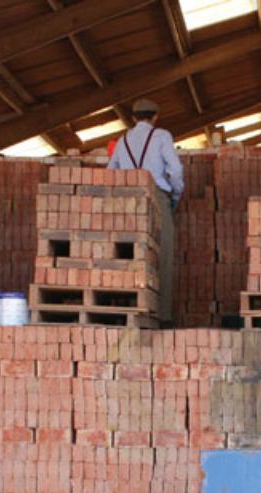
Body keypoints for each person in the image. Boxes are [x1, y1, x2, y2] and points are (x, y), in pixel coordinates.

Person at [107, 98, 184, 326]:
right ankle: (162, 317)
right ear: (156, 117)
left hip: (128, 199)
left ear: (133, 118)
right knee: (164, 255)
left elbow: (111, 172)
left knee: (130, 254)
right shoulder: (161, 136)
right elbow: (176, 170)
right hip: (157, 195)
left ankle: (126, 311)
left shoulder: (122, 141)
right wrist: (175, 197)